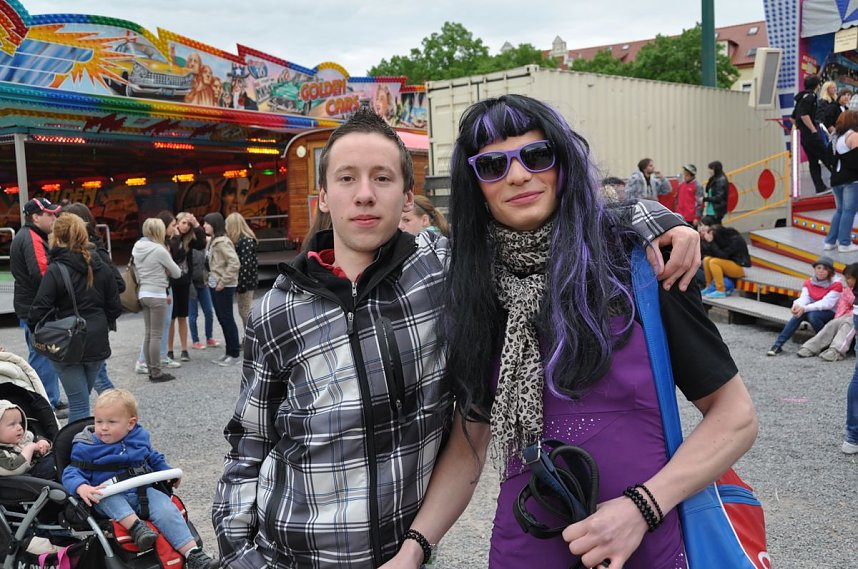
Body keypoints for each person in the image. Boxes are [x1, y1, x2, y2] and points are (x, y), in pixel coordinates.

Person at [212, 106, 703, 568]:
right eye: (346, 178)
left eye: (382, 178)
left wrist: (663, 221)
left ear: (408, 198)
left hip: (399, 552)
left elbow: (546, 223)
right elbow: (249, 441)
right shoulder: (278, 308)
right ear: (323, 197)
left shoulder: (446, 274)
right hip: (288, 550)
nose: (364, 194)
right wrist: (237, 552)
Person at [385, 94, 758, 569]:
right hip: (526, 545)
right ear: (475, 185)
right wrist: (414, 548)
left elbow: (736, 415)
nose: (518, 175)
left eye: (537, 156)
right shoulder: (476, 290)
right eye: (493, 165)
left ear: (563, 162)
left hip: (644, 540)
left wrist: (641, 507)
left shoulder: (641, 263)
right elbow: (470, 439)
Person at [62, 389, 220, 569]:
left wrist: (168, 472)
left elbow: (153, 457)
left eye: (111, 422)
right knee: (107, 496)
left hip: (141, 492)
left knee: (166, 508)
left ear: (131, 424)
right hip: (108, 496)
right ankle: (136, 527)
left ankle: (193, 554)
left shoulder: (138, 438)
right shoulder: (86, 446)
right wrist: (81, 487)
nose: (103, 427)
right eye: (99, 422)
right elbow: (70, 472)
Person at [28, 214, 122, 422]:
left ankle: (74, 451)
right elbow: (115, 306)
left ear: (57, 237)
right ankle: (82, 446)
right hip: (97, 340)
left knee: (79, 403)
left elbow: (39, 309)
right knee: (82, 399)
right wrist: (101, 323)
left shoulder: (56, 269)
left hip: (67, 341)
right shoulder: (100, 264)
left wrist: (42, 328)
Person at [61, 202, 123, 394]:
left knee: (98, 376)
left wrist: (95, 298)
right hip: (89, 323)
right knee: (95, 375)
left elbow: (119, 284)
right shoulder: (77, 252)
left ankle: (118, 412)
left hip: (93, 323)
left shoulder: (96, 252)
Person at [10, 198, 64, 412]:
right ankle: (46, 404)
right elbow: (42, 274)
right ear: (35, 217)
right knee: (41, 356)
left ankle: (51, 399)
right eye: (49, 214)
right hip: (36, 309)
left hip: (32, 307)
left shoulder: (29, 235)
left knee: (43, 355)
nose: (54, 218)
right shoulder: (31, 237)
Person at [132, 218, 182, 382]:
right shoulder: (159, 250)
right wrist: (165, 270)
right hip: (157, 294)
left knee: (148, 334)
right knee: (156, 336)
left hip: (143, 293)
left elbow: (137, 272)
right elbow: (177, 272)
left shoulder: (137, 247)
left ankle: (149, 369)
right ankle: (156, 372)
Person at [767, 256, 842, 356]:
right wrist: (797, 305)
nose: (821, 271)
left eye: (825, 269)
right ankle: (777, 345)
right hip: (812, 310)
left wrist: (805, 308)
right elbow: (804, 298)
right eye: (818, 268)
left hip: (830, 312)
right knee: (798, 314)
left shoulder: (836, 284)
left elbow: (827, 304)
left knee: (812, 315)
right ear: (814, 269)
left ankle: (826, 343)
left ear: (830, 272)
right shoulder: (809, 282)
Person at [165, 212, 207, 362]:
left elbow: (202, 244)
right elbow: (176, 256)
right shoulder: (170, 238)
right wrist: (176, 237)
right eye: (183, 222)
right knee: (171, 318)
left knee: (183, 316)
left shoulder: (189, 239)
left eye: (188, 224)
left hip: (184, 282)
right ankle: (169, 350)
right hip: (171, 283)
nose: (185, 226)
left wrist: (196, 224)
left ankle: (184, 349)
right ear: (176, 223)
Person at [797, 263, 858, 361]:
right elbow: (842, 306)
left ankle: (836, 351)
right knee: (833, 323)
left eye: (849, 278)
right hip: (850, 315)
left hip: (854, 317)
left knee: (849, 323)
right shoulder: (847, 291)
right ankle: (811, 347)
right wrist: (839, 319)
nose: (846, 281)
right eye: (845, 278)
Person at [202, 212, 240, 366]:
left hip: (224, 286)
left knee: (227, 318)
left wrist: (223, 281)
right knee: (222, 318)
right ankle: (228, 352)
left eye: (207, 223)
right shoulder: (213, 241)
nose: (204, 225)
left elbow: (234, 263)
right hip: (214, 284)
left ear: (214, 224)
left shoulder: (223, 242)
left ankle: (234, 353)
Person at [823, 110, 858, 253]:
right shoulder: (854, 136)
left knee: (840, 211)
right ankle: (844, 243)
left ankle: (830, 241)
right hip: (851, 179)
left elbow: (828, 158)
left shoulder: (835, 137)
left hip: (836, 178)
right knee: (849, 211)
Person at [793, 75, 830, 193]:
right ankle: (840, 180)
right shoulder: (811, 96)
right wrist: (812, 129)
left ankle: (820, 186)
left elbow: (793, 118)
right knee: (826, 155)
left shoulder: (801, 97)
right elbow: (804, 115)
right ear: (817, 86)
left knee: (813, 161)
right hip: (811, 134)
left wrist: (800, 128)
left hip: (804, 136)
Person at [0, 400, 54, 478]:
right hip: (24, 480)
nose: (20, 427)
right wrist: (30, 448)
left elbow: (36, 438)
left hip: (41, 466)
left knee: (61, 451)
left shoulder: (25, 436)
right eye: (12, 424)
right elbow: (13, 469)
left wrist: (43, 442)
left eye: (20, 423)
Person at [700, 220, 751, 298]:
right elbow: (712, 254)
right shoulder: (723, 239)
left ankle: (720, 290)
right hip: (730, 264)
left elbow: (723, 255)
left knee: (714, 262)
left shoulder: (735, 240)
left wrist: (711, 243)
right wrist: (707, 241)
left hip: (741, 267)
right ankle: (709, 287)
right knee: (707, 259)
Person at [225, 212, 258, 332]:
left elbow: (245, 265)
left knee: (244, 311)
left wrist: (241, 285)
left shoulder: (245, 241)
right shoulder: (245, 240)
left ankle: (251, 338)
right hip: (246, 281)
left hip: (246, 282)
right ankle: (249, 337)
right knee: (244, 311)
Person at [188, 238, 218, 350]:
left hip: (203, 283)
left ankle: (209, 337)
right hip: (191, 284)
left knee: (209, 311)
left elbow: (207, 265)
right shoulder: (189, 249)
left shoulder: (205, 248)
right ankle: (195, 340)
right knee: (193, 314)